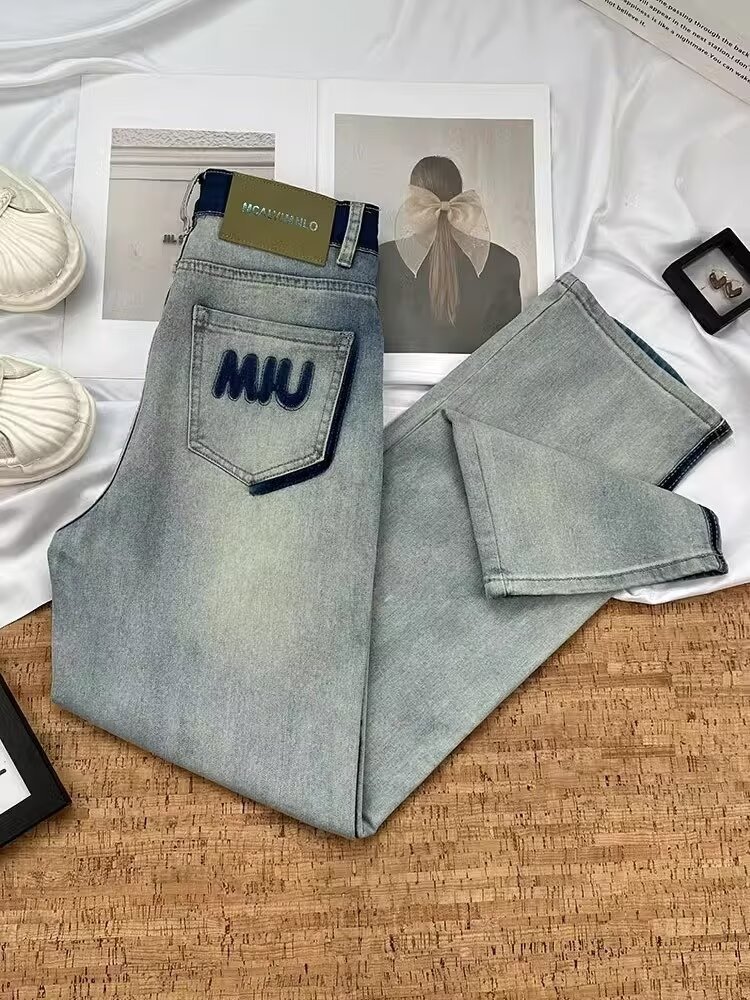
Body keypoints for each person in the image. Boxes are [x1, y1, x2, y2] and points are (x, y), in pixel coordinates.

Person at [378, 155, 522, 353]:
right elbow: (509, 352)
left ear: (413, 199)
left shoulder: (382, 260)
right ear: (460, 198)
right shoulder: (505, 263)